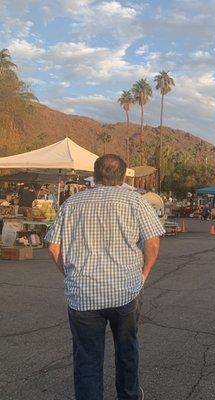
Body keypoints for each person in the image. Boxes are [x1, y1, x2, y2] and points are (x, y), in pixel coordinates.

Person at [45, 154, 165, 400]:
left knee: (87, 358)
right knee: (126, 349)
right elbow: (153, 243)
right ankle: (129, 395)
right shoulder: (136, 201)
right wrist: (143, 275)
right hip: (126, 292)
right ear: (122, 176)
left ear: (95, 174)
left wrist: (70, 275)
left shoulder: (72, 203)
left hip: (83, 295)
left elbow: (53, 247)